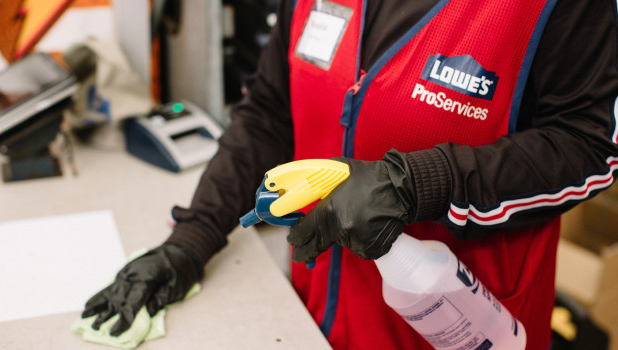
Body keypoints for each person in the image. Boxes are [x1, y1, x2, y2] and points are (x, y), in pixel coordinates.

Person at [82, 0, 618, 349]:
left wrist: (419, 182)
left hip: (462, 327)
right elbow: (271, 107)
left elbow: (590, 147)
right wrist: (192, 239)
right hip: (315, 319)